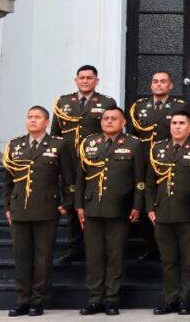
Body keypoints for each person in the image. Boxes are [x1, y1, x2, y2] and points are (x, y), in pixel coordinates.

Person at [3, 106, 74, 317]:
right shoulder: (15, 145)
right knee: (22, 257)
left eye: (38, 117)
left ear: (46, 122)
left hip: (46, 209)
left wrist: (68, 203)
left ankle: (38, 300)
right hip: (19, 209)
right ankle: (22, 299)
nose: (33, 121)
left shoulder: (58, 145)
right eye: (30, 117)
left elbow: (69, 179)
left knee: (43, 258)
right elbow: (8, 181)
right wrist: (8, 207)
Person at [75, 107, 145, 316]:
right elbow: (80, 179)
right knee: (94, 256)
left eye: (114, 118)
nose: (109, 121)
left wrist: (137, 206)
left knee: (115, 256)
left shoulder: (134, 144)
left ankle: (112, 299)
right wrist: (79, 206)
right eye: (106, 118)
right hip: (92, 208)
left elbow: (140, 180)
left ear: (123, 122)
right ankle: (95, 299)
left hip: (119, 208)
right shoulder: (88, 143)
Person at [146, 112, 190, 316]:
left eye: (181, 123)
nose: (177, 126)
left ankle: (185, 300)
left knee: (188, 260)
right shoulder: (158, 148)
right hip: (162, 213)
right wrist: (150, 208)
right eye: (174, 123)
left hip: (189, 213)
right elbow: (149, 183)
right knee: (168, 260)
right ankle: (170, 299)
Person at [51, 64, 117, 264]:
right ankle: (74, 248)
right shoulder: (63, 103)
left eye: (90, 77)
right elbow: (55, 135)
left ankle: (97, 249)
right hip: (69, 162)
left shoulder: (106, 102)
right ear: (76, 80)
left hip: (96, 162)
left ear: (96, 81)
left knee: (97, 203)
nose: (86, 80)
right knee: (71, 204)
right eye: (82, 77)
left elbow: (112, 129)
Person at [128, 71, 188, 147]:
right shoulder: (140, 106)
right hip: (144, 152)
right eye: (155, 82)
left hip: (169, 152)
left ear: (170, 86)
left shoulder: (180, 107)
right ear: (151, 86)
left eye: (163, 82)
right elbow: (133, 135)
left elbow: (187, 134)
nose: (158, 84)